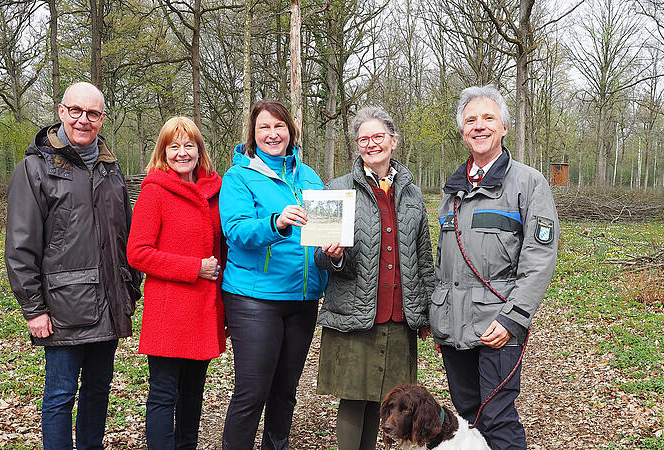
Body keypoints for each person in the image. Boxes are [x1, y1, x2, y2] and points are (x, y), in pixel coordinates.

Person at [4, 81, 143, 449]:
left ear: (102, 118)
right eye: (76, 111)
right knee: (61, 394)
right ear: (62, 111)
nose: (84, 120)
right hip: (63, 307)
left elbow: (126, 234)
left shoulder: (110, 168)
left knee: (98, 391)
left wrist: (129, 287)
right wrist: (33, 309)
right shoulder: (34, 169)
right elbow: (21, 246)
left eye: (93, 113)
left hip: (109, 305)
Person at [431, 85, 559, 450]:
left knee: (497, 417)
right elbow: (445, 264)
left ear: (504, 126)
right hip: (454, 328)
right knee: (468, 416)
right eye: (471, 120)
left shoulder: (528, 182)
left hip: (498, 324)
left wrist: (514, 318)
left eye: (488, 118)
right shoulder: (452, 190)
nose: (479, 126)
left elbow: (539, 257)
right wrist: (441, 319)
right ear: (462, 131)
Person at [313, 107, 435, 450]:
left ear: (393, 141)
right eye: (364, 139)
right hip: (354, 313)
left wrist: (425, 312)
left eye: (378, 136)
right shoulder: (336, 188)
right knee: (354, 398)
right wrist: (334, 255)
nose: (371, 144)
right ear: (357, 145)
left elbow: (424, 258)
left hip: (401, 316)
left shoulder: (412, 193)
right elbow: (320, 256)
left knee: (388, 402)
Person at [219, 99, 328, 449]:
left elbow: (325, 232)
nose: (272, 133)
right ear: (253, 133)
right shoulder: (239, 177)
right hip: (255, 298)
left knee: (285, 391)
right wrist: (275, 222)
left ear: (290, 131)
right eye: (264, 127)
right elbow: (235, 231)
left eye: (279, 126)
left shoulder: (309, 176)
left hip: (303, 297)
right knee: (253, 392)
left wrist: (332, 248)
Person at [126, 116, 224, 449]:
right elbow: (137, 253)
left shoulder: (216, 190)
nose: (182, 153)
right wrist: (193, 268)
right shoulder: (154, 192)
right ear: (163, 151)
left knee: (193, 393)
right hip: (168, 310)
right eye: (174, 146)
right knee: (164, 393)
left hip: (203, 309)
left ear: (200, 150)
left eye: (189, 146)